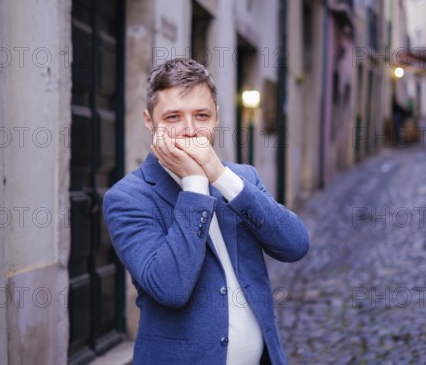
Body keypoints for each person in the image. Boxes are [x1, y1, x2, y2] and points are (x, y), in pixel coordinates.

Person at [103, 58, 310, 365]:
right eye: (173, 117)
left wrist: (220, 176)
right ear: (150, 122)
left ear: (216, 118)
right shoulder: (128, 198)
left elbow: (295, 245)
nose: (190, 131)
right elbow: (171, 287)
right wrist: (195, 186)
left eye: (201, 115)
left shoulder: (243, 179)